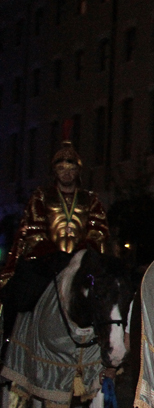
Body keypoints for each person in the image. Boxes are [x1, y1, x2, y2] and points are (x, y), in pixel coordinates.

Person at [0, 139, 109, 347]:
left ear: (78, 172)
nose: (66, 173)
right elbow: (34, 228)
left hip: (80, 261)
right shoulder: (41, 197)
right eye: (61, 169)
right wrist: (50, 252)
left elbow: (98, 230)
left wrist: (83, 251)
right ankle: (9, 342)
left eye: (71, 169)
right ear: (54, 172)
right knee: (20, 294)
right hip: (46, 262)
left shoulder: (90, 199)